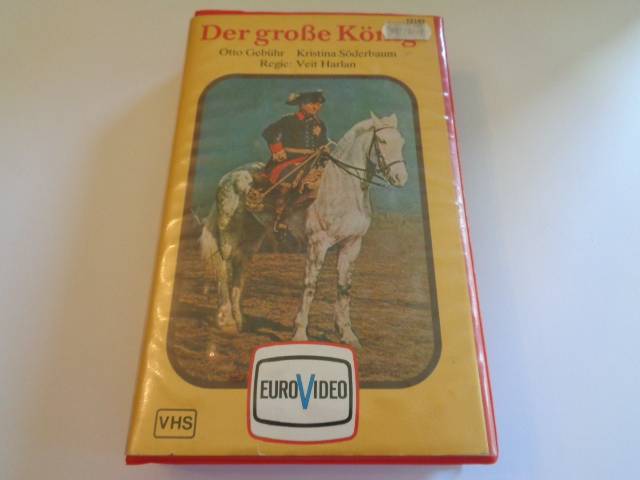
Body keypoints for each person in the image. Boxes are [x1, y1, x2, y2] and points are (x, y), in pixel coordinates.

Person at [261, 90, 329, 235]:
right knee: (288, 178)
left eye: (318, 104)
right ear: (301, 104)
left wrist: (323, 147)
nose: (316, 107)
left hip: (314, 161)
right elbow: (269, 132)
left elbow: (322, 144)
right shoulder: (288, 120)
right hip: (290, 159)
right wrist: (277, 150)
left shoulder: (320, 124)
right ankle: (279, 219)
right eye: (312, 103)